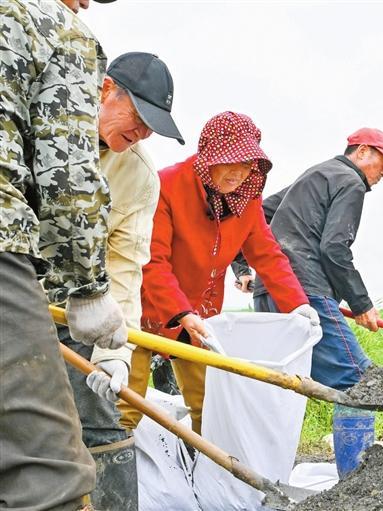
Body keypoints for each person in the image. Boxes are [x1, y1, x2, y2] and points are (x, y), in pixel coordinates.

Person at [0, 0, 126, 509]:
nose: (88, 4)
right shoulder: (50, 23)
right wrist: (90, 287)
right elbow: (68, 184)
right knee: (48, 475)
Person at [118, 111, 315, 435]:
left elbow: (267, 255)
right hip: (147, 308)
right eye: (231, 161)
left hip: (201, 317)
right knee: (127, 404)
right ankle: (108, 480)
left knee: (209, 407)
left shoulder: (247, 200)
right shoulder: (167, 184)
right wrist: (180, 312)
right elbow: (153, 260)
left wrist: (298, 305)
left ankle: (206, 481)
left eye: (247, 164)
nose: (239, 173)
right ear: (210, 156)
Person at [230, 127, 383, 475]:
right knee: (360, 382)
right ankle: (358, 484)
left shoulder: (314, 174)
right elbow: (333, 248)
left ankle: (263, 475)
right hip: (306, 292)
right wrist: (361, 303)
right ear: (362, 152)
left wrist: (243, 268)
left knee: (279, 385)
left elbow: (257, 213)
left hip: (270, 292)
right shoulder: (350, 180)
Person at [54, 52, 184, 511]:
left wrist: (114, 354)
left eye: (154, 126)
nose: (144, 133)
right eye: (140, 117)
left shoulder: (138, 175)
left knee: (101, 418)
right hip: (16, 293)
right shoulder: (41, 122)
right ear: (106, 90)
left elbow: (126, 267)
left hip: (79, 308)